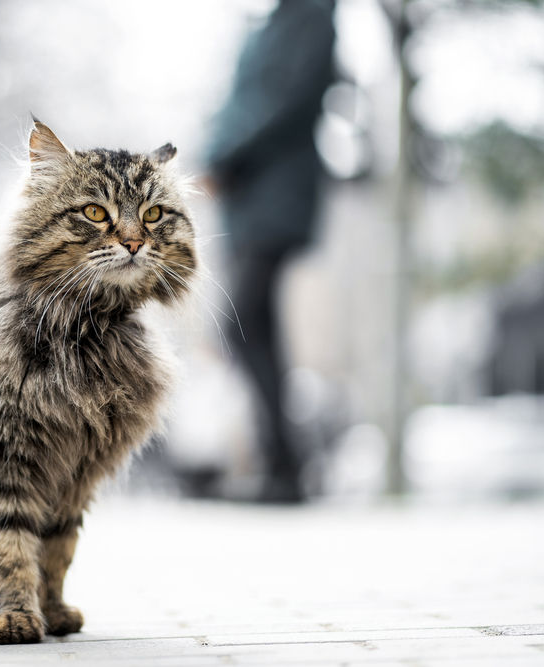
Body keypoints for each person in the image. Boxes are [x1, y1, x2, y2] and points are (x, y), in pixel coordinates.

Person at [204, 0, 336, 503]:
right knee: (256, 324)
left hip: (276, 192)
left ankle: (288, 463)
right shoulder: (275, 21)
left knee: (241, 320)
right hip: (251, 200)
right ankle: (285, 467)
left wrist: (223, 154)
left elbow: (282, 98)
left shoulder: (311, 15)